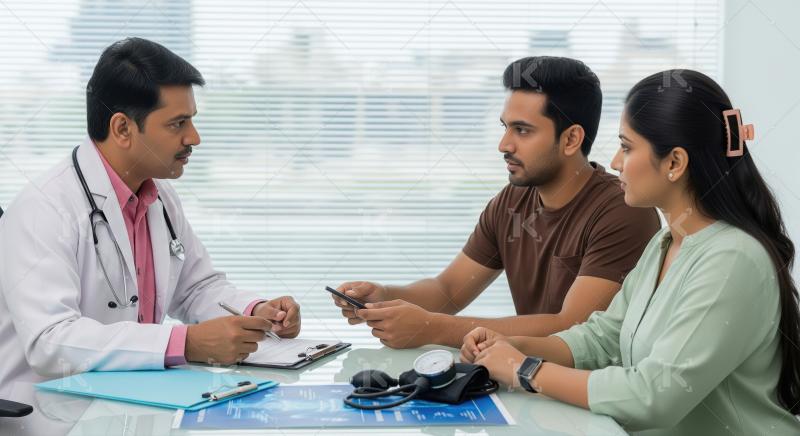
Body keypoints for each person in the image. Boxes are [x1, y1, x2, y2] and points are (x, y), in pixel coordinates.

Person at [460, 69, 800, 435]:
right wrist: (514, 346)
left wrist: (525, 371)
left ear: (674, 163)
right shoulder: (667, 243)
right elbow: (603, 337)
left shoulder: (732, 260)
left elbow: (655, 396)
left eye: (626, 147)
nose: (617, 163)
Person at [0, 38, 301, 394]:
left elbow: (196, 289)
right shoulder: (45, 208)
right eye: (178, 124)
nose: (195, 137)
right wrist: (184, 343)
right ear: (123, 129)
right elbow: (51, 341)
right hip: (50, 414)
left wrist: (257, 310)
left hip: (127, 402)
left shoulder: (158, 196)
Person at [332, 56, 661, 349]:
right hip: (527, 379)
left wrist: (432, 328)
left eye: (522, 130)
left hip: (592, 396)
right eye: (506, 127)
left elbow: (572, 327)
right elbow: (447, 290)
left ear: (571, 138)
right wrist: (385, 297)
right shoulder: (511, 201)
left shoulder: (623, 209)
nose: (504, 144)